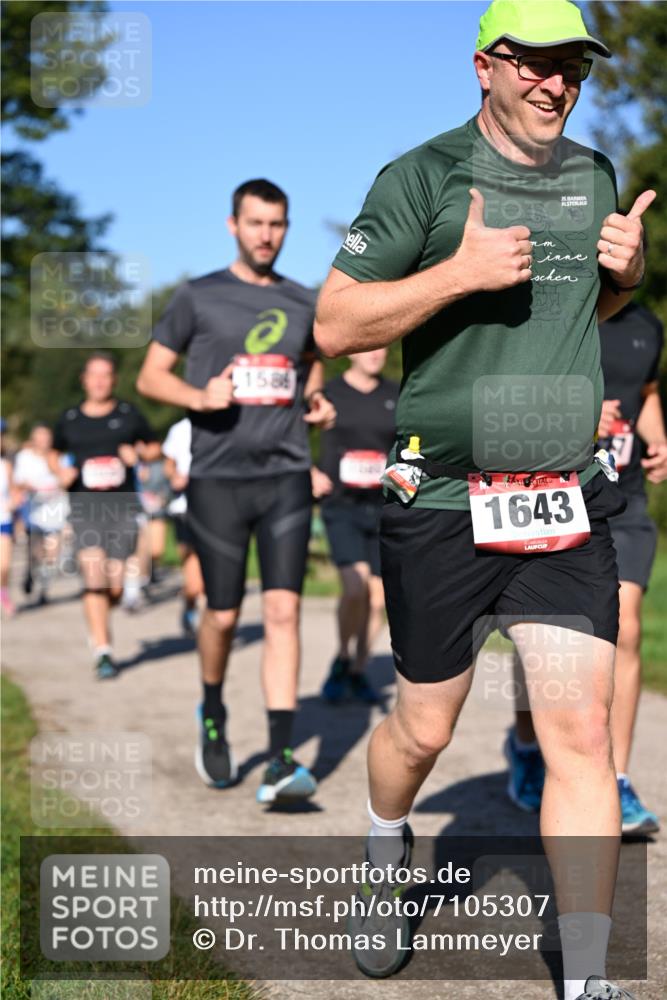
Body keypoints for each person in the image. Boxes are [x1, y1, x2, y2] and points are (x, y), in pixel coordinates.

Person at [314, 2, 654, 997]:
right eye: (538, 65)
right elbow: (335, 323)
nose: (557, 85)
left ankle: (585, 973)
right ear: (484, 67)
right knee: (422, 730)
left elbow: (569, 315)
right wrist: (455, 272)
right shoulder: (422, 176)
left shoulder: (591, 175)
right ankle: (384, 857)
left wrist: (620, 284)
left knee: (582, 738)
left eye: (574, 70)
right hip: (444, 503)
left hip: (560, 499)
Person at [137, 178, 336, 804]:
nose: (267, 235)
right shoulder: (197, 296)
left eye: (277, 224)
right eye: (255, 223)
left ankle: (281, 757)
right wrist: (200, 397)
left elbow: (311, 361)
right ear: (233, 225)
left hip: (284, 475)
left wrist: (313, 399)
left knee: (283, 611)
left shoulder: (304, 300)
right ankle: (214, 708)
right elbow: (150, 376)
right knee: (222, 615)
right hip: (217, 477)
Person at [506, 301, 666, 835]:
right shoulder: (543, 310)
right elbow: (501, 390)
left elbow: (642, 390)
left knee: (627, 626)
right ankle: (527, 747)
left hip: (625, 499)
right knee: (539, 636)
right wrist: (567, 407)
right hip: (554, 492)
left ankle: (615, 779)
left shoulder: (646, 325)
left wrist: (659, 437)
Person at [50, 352, 160, 679]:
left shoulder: (128, 414)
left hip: (123, 507)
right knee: (94, 579)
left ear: (113, 380)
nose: (99, 381)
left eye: (106, 375)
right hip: (86, 507)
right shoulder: (70, 418)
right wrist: (60, 471)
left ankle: (98, 622)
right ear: (84, 379)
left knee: (113, 587)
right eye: (93, 375)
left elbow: (155, 448)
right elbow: (54, 452)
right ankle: (103, 650)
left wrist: (139, 453)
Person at [313, 348, 399, 704]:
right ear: (352, 352)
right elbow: (287, 431)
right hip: (341, 503)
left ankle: (357, 670)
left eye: (383, 347)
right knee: (354, 586)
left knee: (378, 601)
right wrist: (310, 471)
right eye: (369, 346)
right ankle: (343, 655)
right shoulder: (328, 394)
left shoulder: (396, 395)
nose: (377, 353)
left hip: (381, 507)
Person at [14, 423, 70, 605]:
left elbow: (67, 479)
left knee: (52, 554)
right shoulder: (25, 457)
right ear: (34, 439)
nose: (44, 441)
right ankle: (30, 574)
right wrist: (30, 486)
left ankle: (43, 589)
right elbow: (18, 482)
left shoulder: (59, 457)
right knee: (36, 554)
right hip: (35, 512)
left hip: (56, 512)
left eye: (47, 437)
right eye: (40, 437)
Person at [161, 416, 205, 636]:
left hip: (220, 507)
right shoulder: (179, 429)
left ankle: (212, 618)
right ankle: (190, 605)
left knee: (214, 568)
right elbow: (168, 464)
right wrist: (175, 476)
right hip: (184, 508)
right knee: (194, 572)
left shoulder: (230, 422)